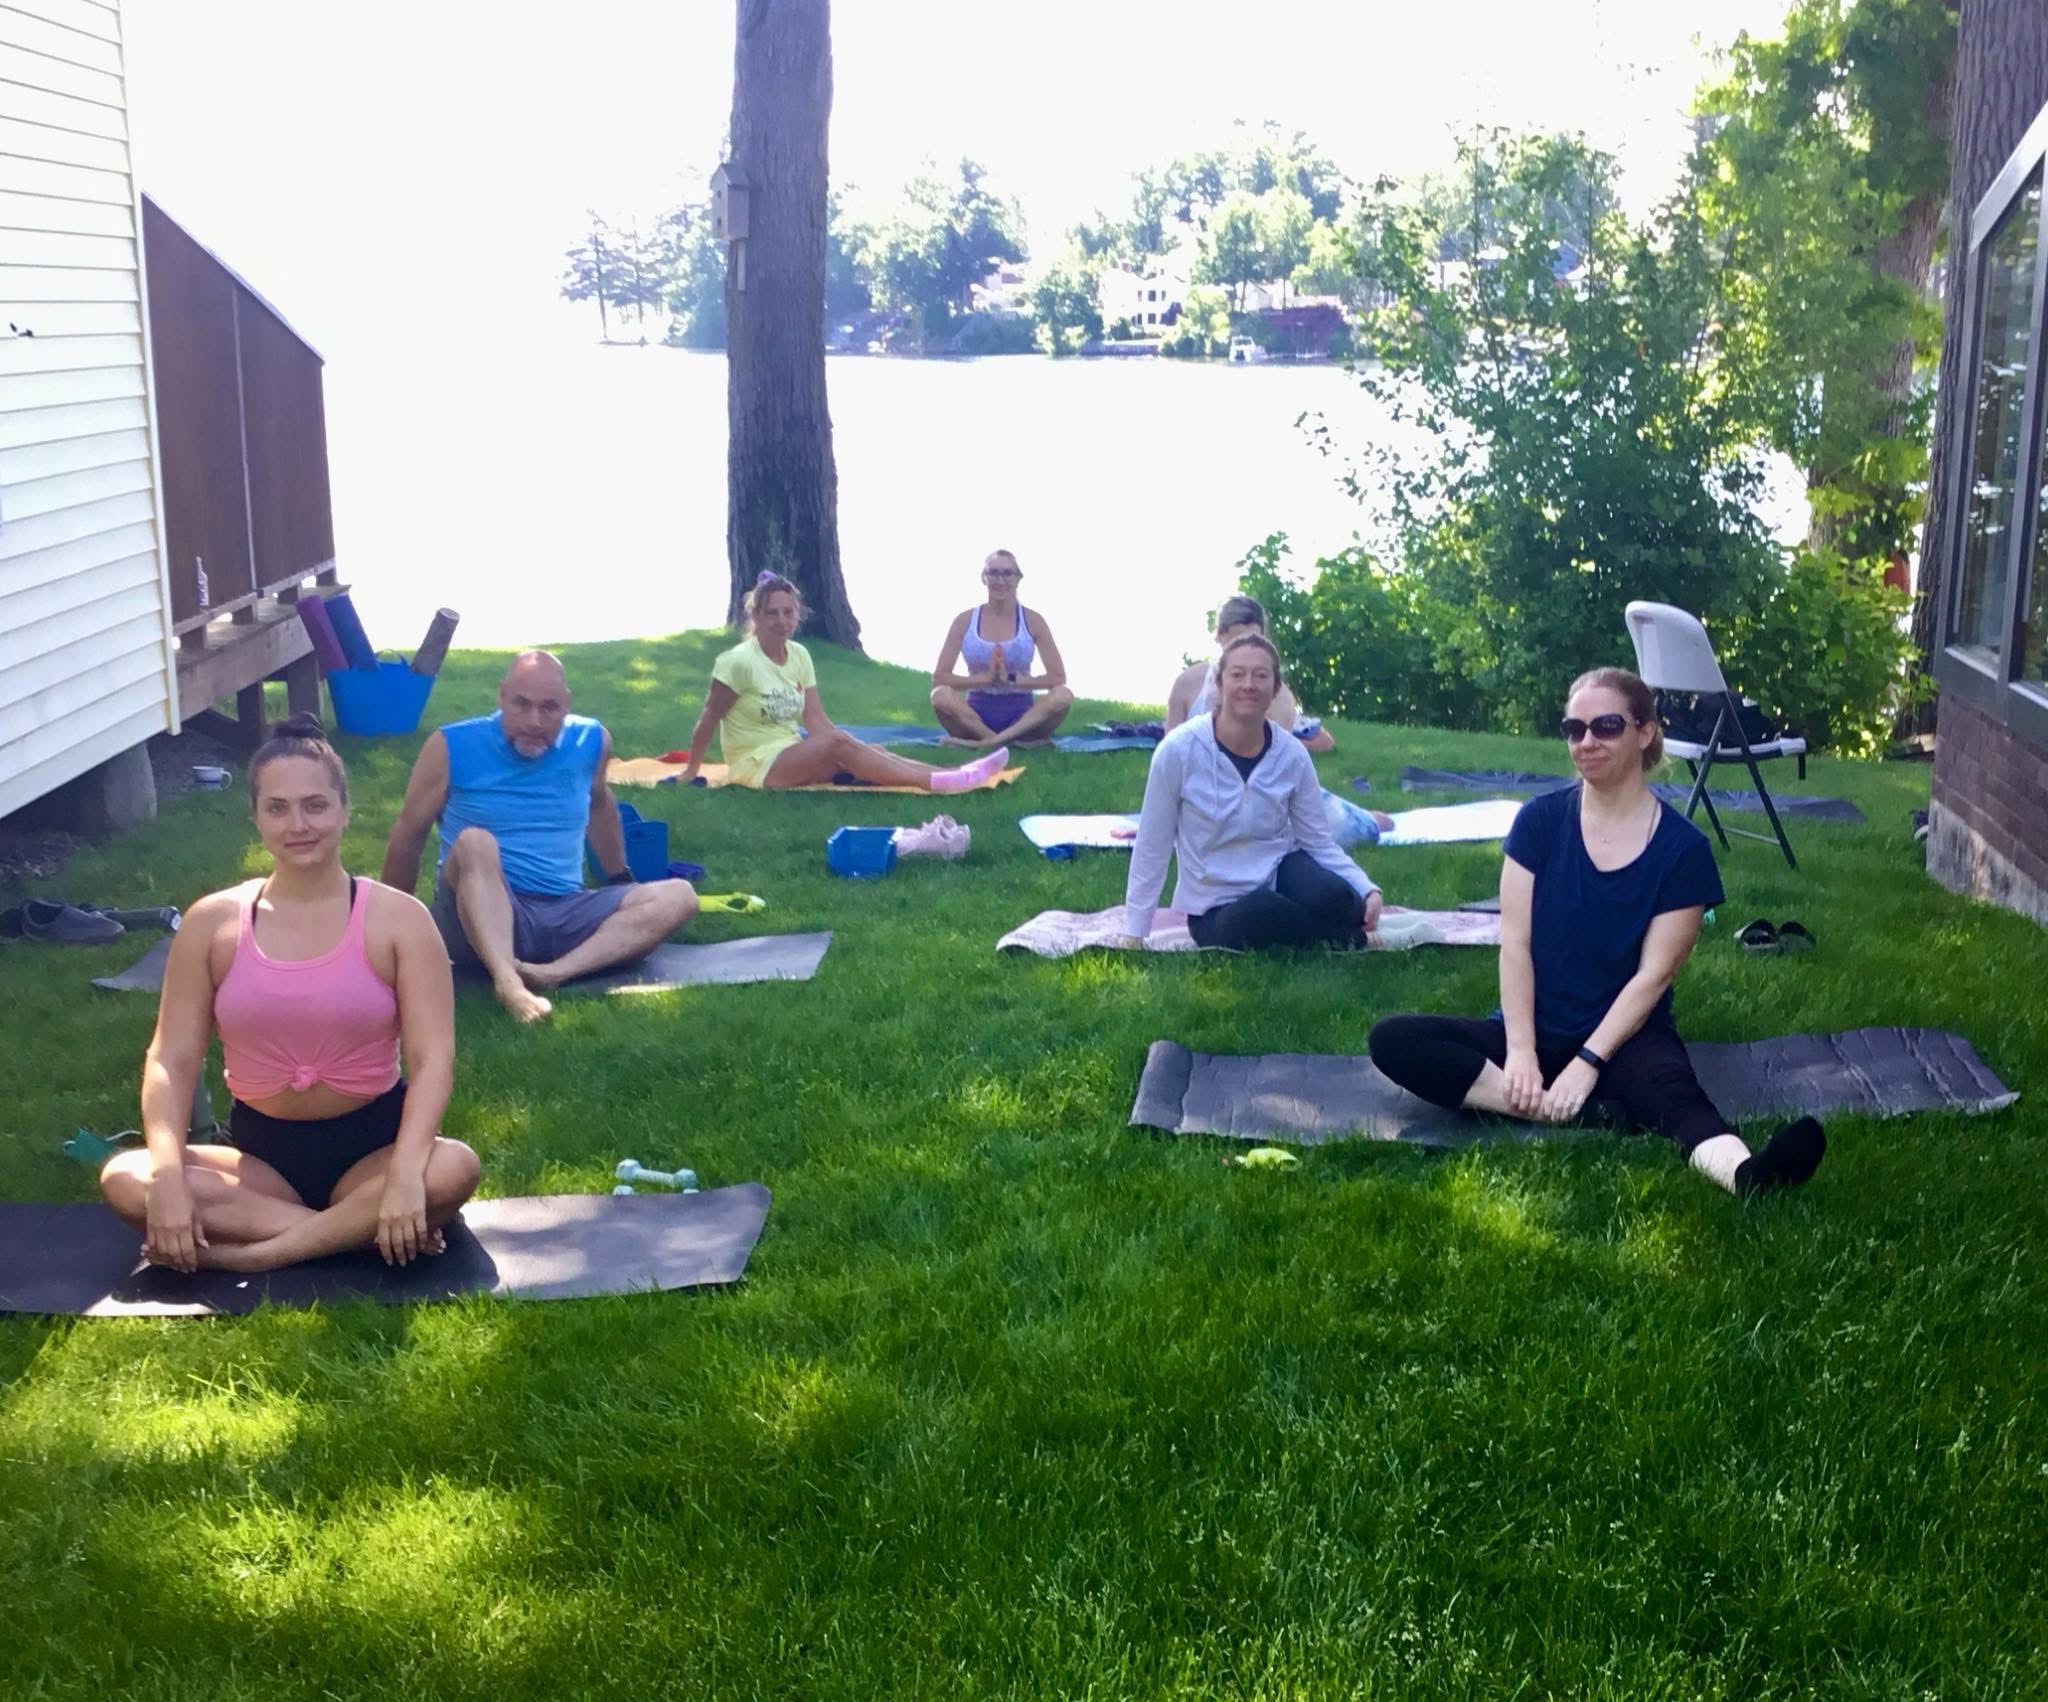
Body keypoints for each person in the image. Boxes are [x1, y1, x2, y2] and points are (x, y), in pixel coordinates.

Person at [1368, 666, 1826, 1198]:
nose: (1587, 742)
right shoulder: (1539, 823)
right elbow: (1515, 944)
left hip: (1626, 1036)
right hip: (1534, 1027)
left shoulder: (1683, 850)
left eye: (1606, 726)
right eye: (1574, 729)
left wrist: (1588, 1062)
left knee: (1675, 1097)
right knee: (1395, 1039)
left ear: (1645, 732)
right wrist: (1521, 1052)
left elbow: (1654, 977)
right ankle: (1559, 1110)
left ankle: (1748, 1176)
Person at [99, 715, 480, 1274]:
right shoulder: (212, 923)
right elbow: (170, 1060)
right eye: (277, 808)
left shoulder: (400, 919)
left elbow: (432, 1059)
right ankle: (356, 1231)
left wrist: (403, 1175)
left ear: (345, 809)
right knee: (127, 1178)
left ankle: (257, 1255)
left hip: (375, 1152)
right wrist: (170, 1176)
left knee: (453, 1168)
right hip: (259, 1166)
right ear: (255, 817)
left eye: (315, 805)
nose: (298, 824)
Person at [383, 650, 698, 1024]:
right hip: (474, 912)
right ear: (502, 697)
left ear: (567, 705)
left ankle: (552, 973)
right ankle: (508, 982)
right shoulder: (451, 745)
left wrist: (619, 880)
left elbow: (599, 805)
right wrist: (390, 929)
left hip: (564, 908)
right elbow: (408, 835)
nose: (534, 721)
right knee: (475, 842)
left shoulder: (591, 741)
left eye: (549, 708)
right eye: (522, 704)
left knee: (679, 895)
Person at [1123, 633, 1382, 950]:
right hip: (1216, 903)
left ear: (1275, 688)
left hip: (1279, 871)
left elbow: (1317, 840)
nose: (1249, 685)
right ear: (1219, 683)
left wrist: (1367, 889)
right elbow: (1152, 844)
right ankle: (1348, 939)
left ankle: (1324, 927)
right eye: (1237, 674)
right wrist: (1135, 931)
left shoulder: (1292, 754)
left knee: (1340, 899)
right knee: (1260, 913)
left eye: (1261, 676)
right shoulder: (1177, 751)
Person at [681, 571, 1012, 793]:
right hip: (754, 765)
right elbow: (709, 717)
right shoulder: (738, 662)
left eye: (788, 612)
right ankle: (935, 782)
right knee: (842, 745)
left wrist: (851, 747)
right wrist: (691, 770)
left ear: (797, 614)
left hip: (790, 751)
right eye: (772, 613)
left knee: (870, 752)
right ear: (756, 616)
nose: (782, 621)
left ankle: (955, 773)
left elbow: (815, 718)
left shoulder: (799, 655)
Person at [929, 549, 1074, 746]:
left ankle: (989, 743)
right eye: (994, 573)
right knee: (940, 696)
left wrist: (1010, 679)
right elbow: (940, 678)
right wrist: (985, 679)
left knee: (1063, 696)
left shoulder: (1033, 620)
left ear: (1018, 578)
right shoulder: (964, 621)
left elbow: (1057, 677)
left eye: (1007, 573)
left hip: (1024, 718)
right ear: (984, 577)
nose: (1000, 580)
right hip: (974, 719)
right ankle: (1002, 741)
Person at [1166, 594, 1335, 752]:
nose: (1245, 650)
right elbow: (1170, 747)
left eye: (1254, 641)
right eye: (1238, 641)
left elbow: (1275, 754)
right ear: (1220, 636)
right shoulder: (1188, 683)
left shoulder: (1277, 693)